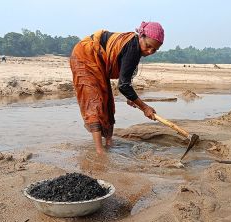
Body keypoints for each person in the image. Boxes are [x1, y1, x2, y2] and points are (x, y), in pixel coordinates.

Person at [70, 21, 164, 154]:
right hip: (85, 56)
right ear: (140, 37)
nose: (149, 51)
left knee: (107, 101)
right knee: (94, 102)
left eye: (154, 50)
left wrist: (132, 98)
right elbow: (123, 86)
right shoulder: (132, 47)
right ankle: (99, 151)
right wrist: (144, 107)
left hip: (99, 62)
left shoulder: (135, 49)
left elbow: (126, 79)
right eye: (148, 46)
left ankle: (109, 142)